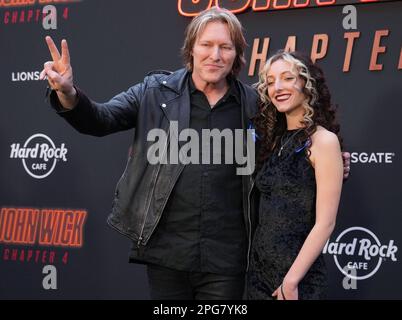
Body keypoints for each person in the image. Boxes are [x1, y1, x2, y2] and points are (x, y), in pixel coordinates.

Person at [40, 7, 350, 300]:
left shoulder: (255, 105)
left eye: (225, 47)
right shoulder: (154, 92)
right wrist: (67, 91)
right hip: (167, 255)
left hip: (228, 259)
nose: (215, 55)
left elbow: (296, 147)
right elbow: (99, 119)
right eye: (207, 45)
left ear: (237, 55)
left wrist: (331, 165)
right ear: (192, 48)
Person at [247, 50, 344, 300]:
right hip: (257, 276)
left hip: (298, 280)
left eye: (287, 78)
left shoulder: (323, 141)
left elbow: (326, 223)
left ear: (306, 83)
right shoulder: (271, 142)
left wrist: (291, 281)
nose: (277, 87)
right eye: (270, 81)